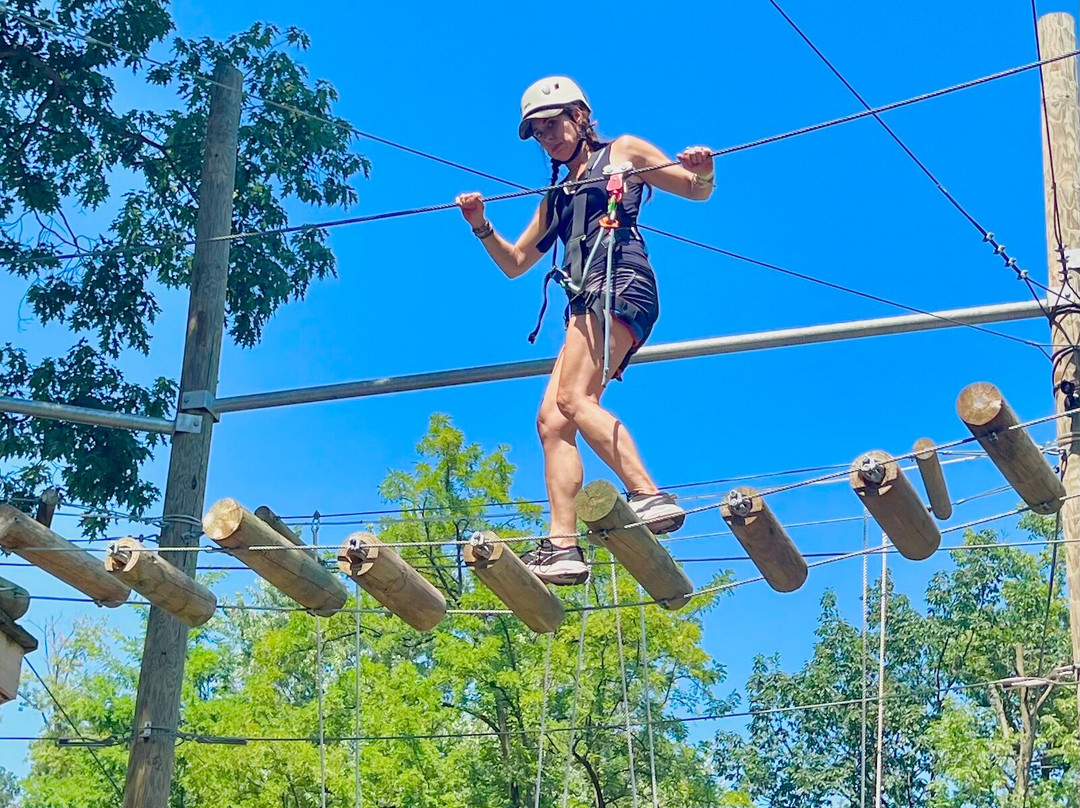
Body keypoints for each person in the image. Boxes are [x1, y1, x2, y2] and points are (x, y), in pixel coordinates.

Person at [455, 76, 715, 586]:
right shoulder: (557, 194)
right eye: (537, 132)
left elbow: (691, 190)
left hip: (619, 282)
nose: (547, 138)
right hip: (585, 298)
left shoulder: (623, 151)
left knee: (573, 399)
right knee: (552, 420)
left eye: (552, 125)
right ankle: (562, 546)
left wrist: (704, 172)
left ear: (579, 116)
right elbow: (514, 263)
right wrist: (480, 224)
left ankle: (647, 494)